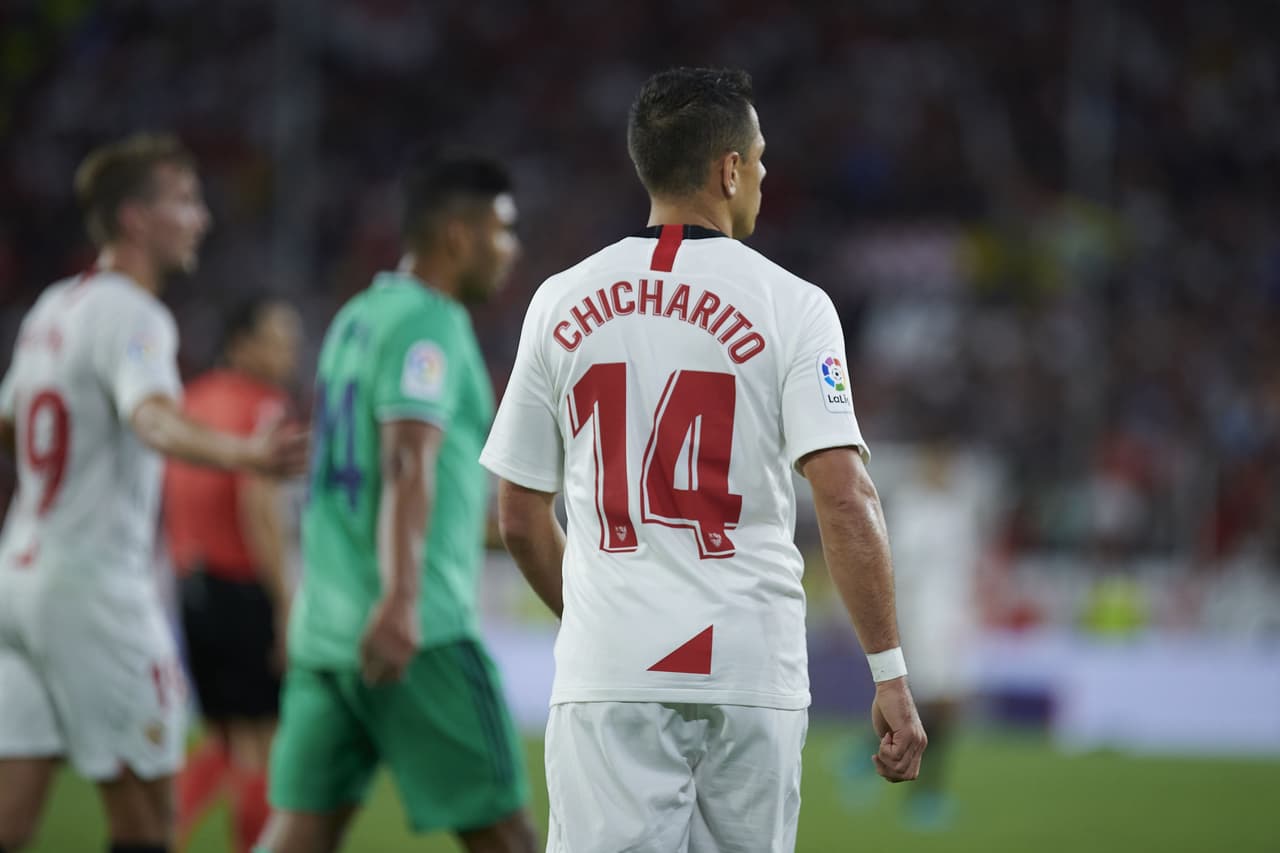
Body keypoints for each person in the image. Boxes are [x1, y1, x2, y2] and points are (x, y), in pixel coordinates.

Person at [481, 67, 927, 853]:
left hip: (610, 667)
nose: (762, 173)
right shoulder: (795, 305)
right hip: (750, 667)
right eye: (758, 158)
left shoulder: (559, 299)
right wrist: (887, 670)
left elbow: (518, 515)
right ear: (727, 170)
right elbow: (846, 496)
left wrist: (598, 617)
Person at [0, 133, 308, 853]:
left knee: (11, 815)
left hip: (18, 576)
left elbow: (11, 421)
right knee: (146, 824)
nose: (201, 218)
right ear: (136, 219)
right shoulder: (135, 316)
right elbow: (154, 418)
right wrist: (247, 453)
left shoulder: (53, 307)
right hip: (93, 586)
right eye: (185, 200)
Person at [258, 151, 537, 853]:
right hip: (418, 630)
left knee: (299, 832)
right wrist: (403, 596)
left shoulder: (357, 317)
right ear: (456, 236)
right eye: (501, 230)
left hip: (328, 629)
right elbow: (406, 456)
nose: (513, 249)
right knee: (506, 831)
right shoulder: (432, 323)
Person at [163, 297, 303, 853]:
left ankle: (157, 836)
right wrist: (285, 604)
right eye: (277, 338)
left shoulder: (191, 401)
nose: (288, 351)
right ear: (242, 343)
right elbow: (258, 508)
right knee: (262, 744)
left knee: (222, 738)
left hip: (190, 587)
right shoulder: (264, 407)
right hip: (242, 589)